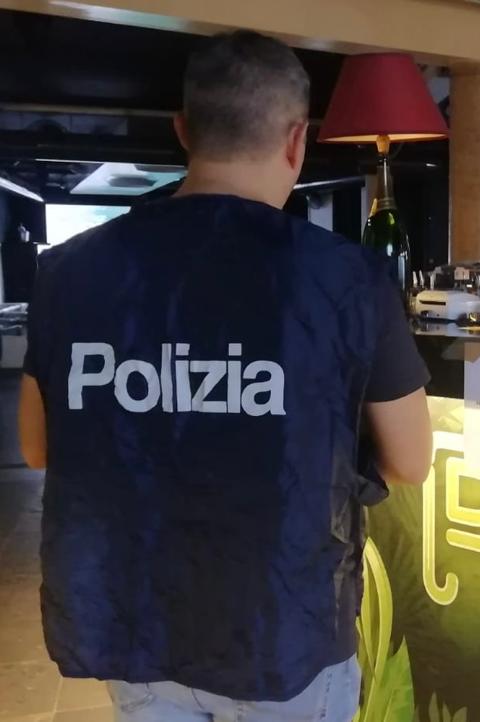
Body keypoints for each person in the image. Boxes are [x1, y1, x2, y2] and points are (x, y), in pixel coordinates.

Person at [17, 30, 432, 722]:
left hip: (136, 622)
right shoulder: (347, 279)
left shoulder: (70, 271)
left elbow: (38, 448)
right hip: (285, 631)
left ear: (184, 130)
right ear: (297, 140)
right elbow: (411, 461)